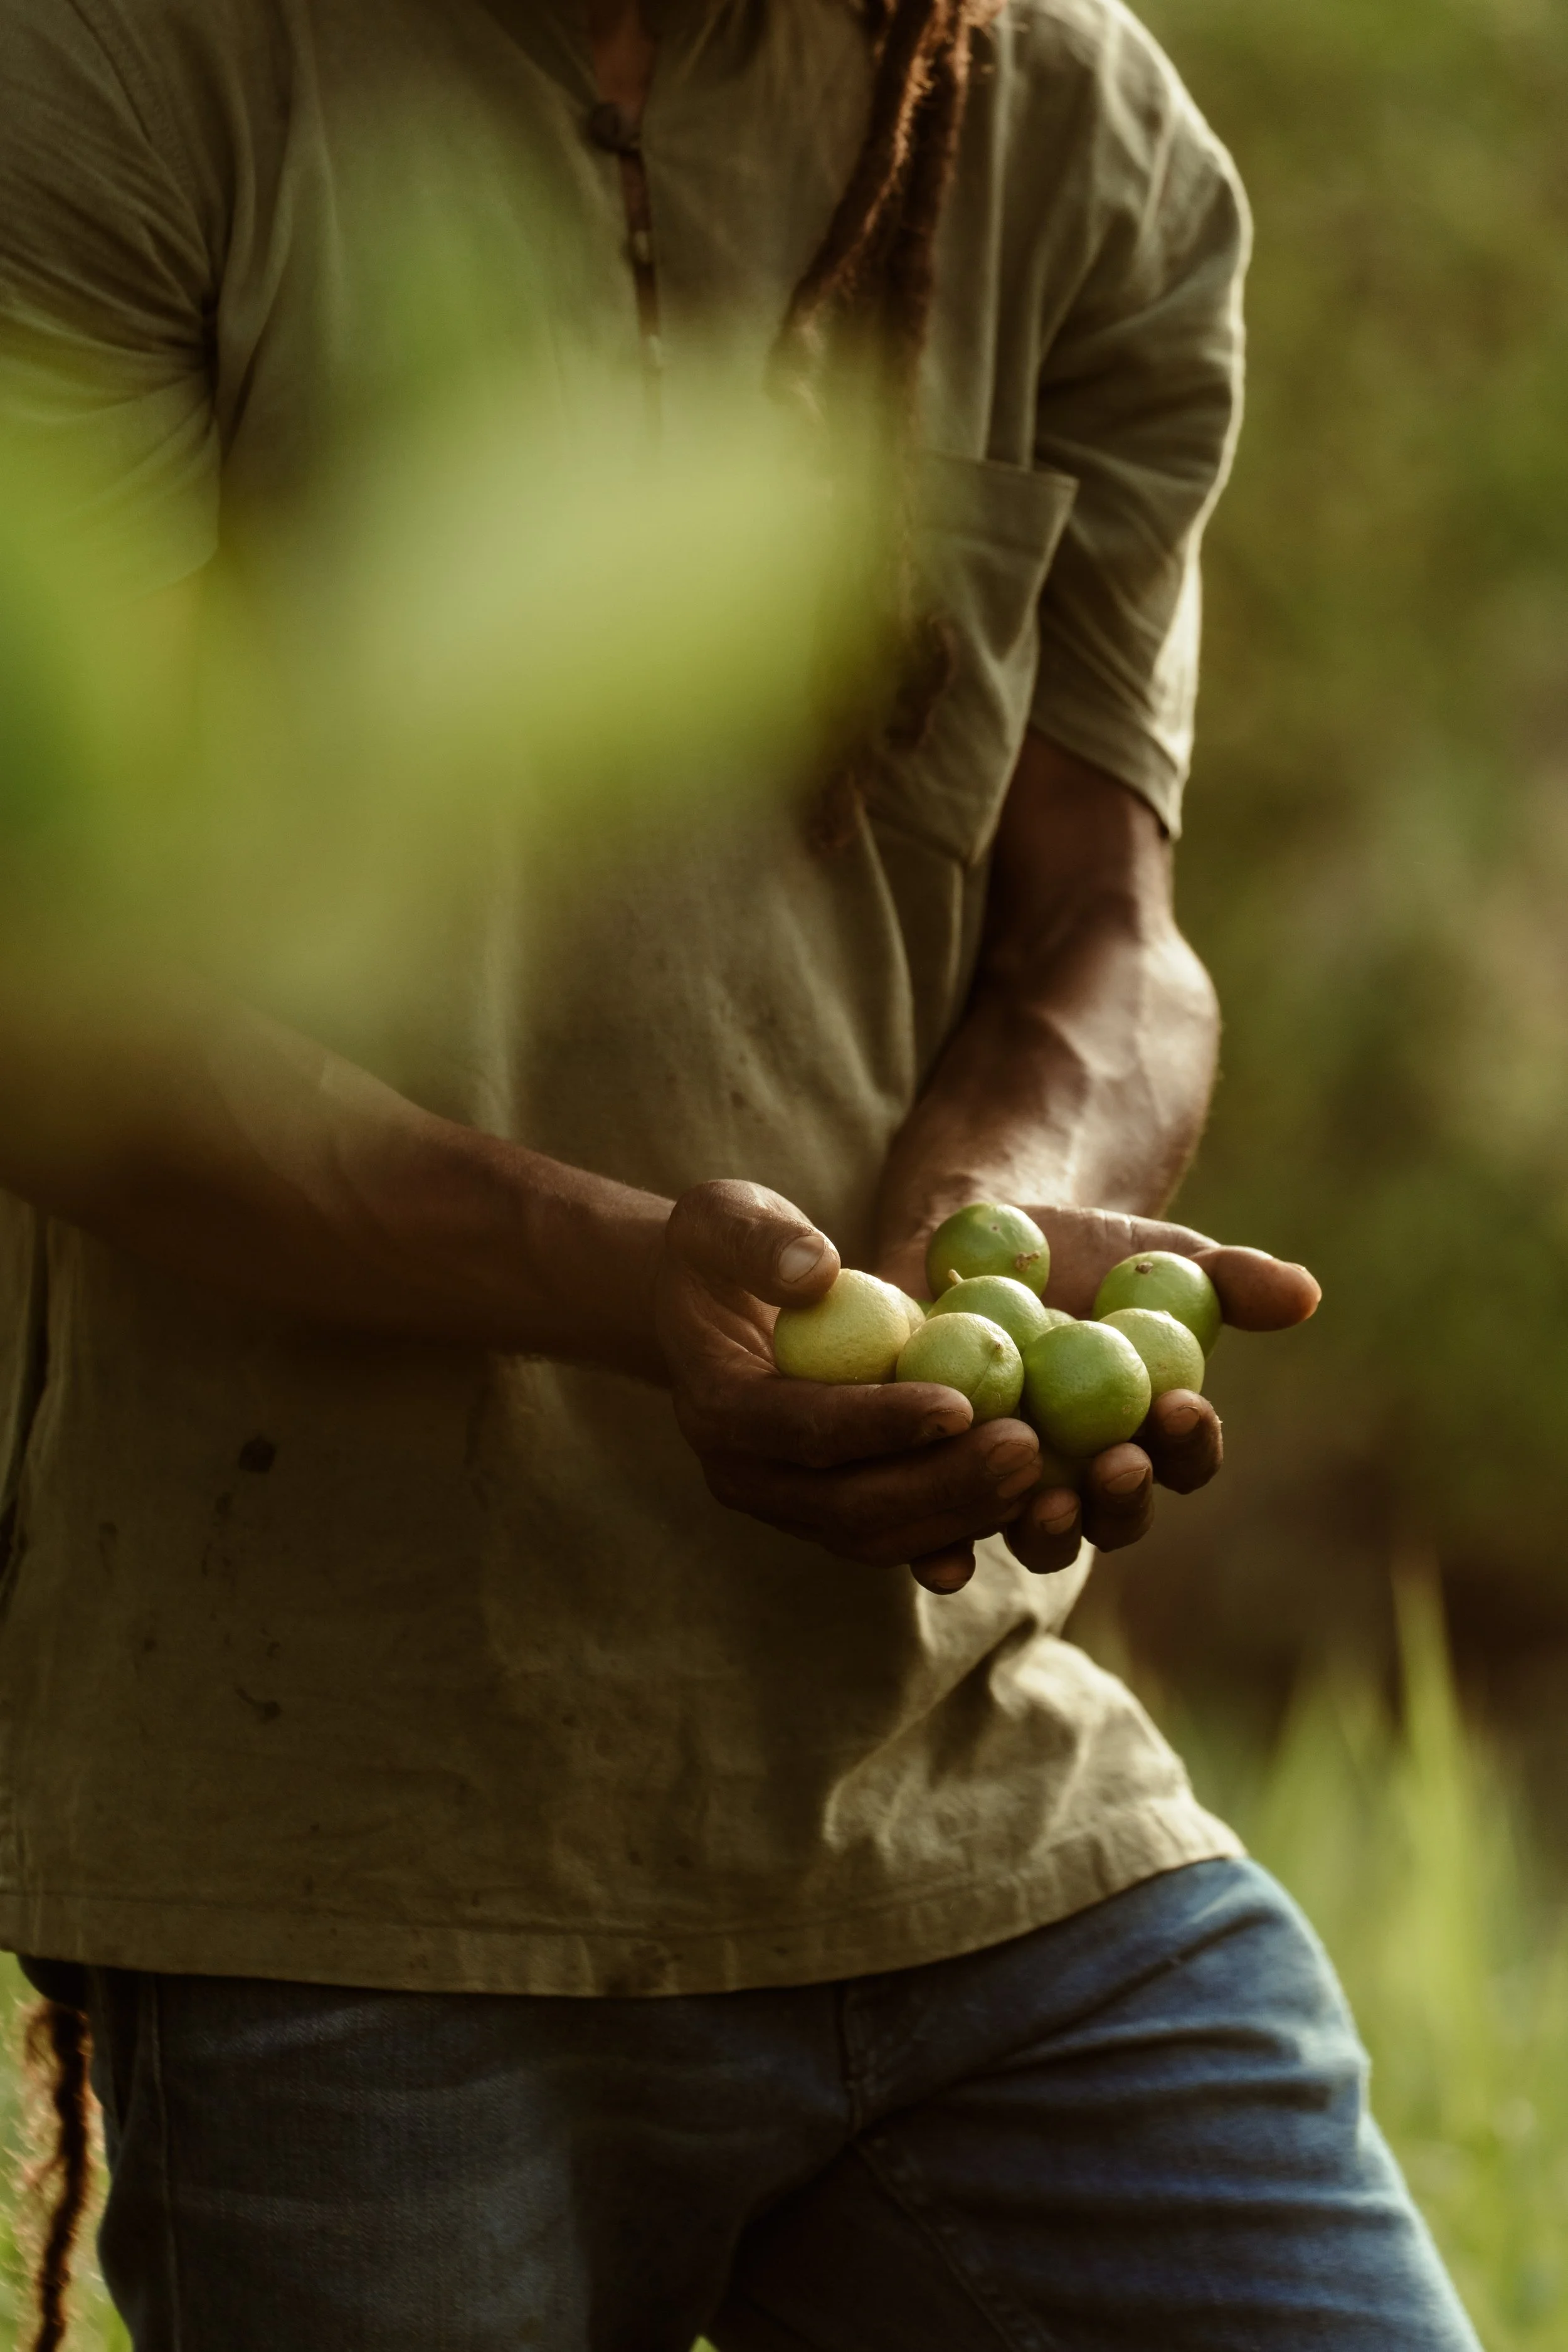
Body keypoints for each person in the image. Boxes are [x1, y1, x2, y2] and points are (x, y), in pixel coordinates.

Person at [0, 0, 1481, 2344]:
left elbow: (1103, 928)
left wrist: (989, 1221)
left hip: (968, 1797)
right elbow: (58, 991)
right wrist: (627, 1275)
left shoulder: (1078, 132)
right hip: (337, 1852)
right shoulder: (116, 76)